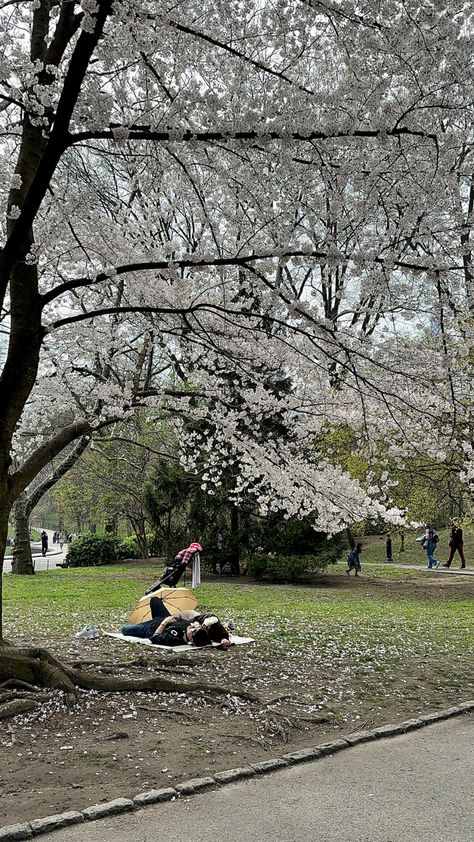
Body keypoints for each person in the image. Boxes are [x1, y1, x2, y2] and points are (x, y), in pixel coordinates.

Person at [121, 597, 211, 647]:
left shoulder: (175, 639)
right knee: (155, 600)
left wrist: (164, 623)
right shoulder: (192, 626)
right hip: (164, 617)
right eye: (196, 628)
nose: (192, 628)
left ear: (191, 639)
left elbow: (155, 638)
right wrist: (197, 624)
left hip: (151, 628)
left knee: (125, 630)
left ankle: (142, 625)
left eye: (193, 631)